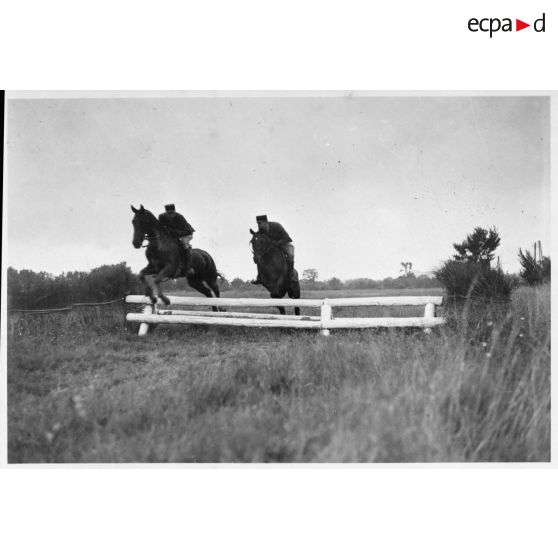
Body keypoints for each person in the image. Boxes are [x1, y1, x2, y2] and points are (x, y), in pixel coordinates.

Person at [251, 215, 296, 284]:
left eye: (260, 223)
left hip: (284, 244)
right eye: (257, 223)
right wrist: (254, 234)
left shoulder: (277, 226)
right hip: (271, 246)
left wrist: (276, 243)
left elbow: (288, 238)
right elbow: (258, 236)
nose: (259, 225)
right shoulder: (261, 229)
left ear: (265, 222)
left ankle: (291, 276)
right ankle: (259, 277)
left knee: (290, 254)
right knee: (260, 256)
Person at [158, 204, 195, 276]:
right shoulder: (162, 217)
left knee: (184, 244)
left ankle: (188, 267)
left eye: (172, 213)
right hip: (174, 234)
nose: (171, 215)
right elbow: (161, 227)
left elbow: (186, 231)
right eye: (169, 214)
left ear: (175, 212)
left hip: (187, 233)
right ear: (166, 213)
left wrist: (173, 232)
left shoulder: (180, 217)